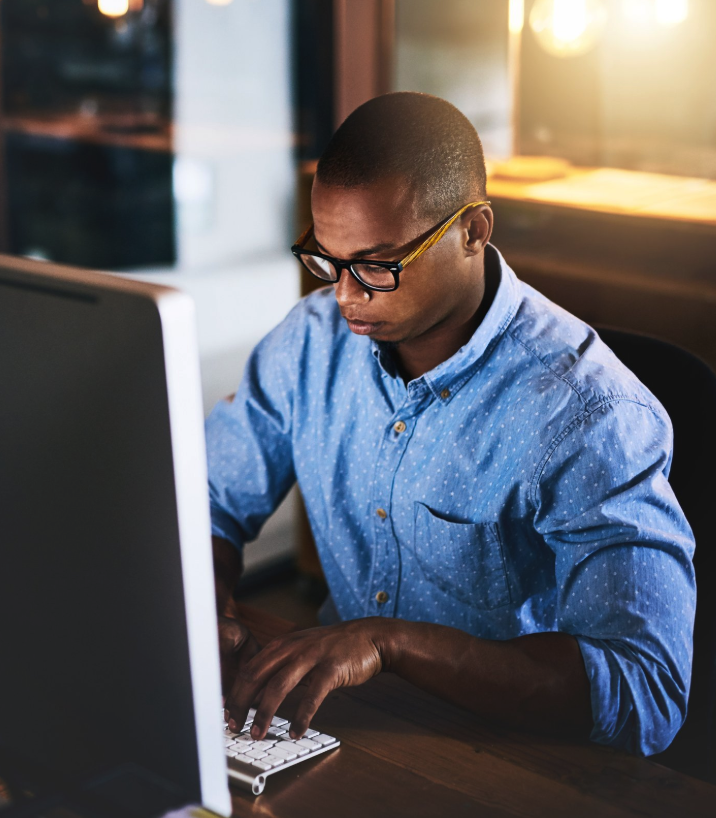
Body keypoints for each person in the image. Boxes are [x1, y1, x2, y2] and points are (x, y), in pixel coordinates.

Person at [206, 92, 695, 757]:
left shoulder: (592, 414)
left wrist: (390, 642)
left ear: (473, 230)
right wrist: (207, 611)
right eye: (327, 258)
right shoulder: (311, 342)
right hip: (348, 723)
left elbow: (644, 694)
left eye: (378, 266)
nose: (345, 296)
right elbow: (206, 502)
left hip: (510, 755)